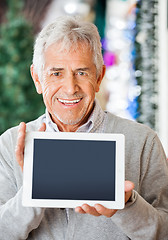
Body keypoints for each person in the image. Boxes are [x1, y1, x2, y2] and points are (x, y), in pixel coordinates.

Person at [0, 15, 168, 240]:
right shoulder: (10, 145)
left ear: (99, 77)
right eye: (56, 73)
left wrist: (128, 205)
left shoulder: (142, 142)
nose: (70, 88)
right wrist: (34, 187)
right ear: (37, 79)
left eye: (82, 72)